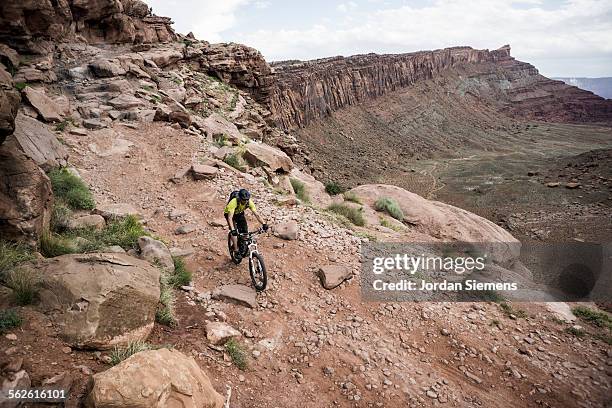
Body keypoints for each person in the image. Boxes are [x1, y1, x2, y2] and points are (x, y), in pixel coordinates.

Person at [224, 189, 268, 260]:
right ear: (240, 198)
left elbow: (257, 214)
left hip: (239, 213)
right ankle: (236, 250)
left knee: (245, 231)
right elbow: (230, 217)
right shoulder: (233, 202)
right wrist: (232, 230)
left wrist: (264, 224)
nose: (245, 201)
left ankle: (242, 246)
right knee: (234, 232)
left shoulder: (249, 202)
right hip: (230, 214)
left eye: (247, 199)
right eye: (244, 200)